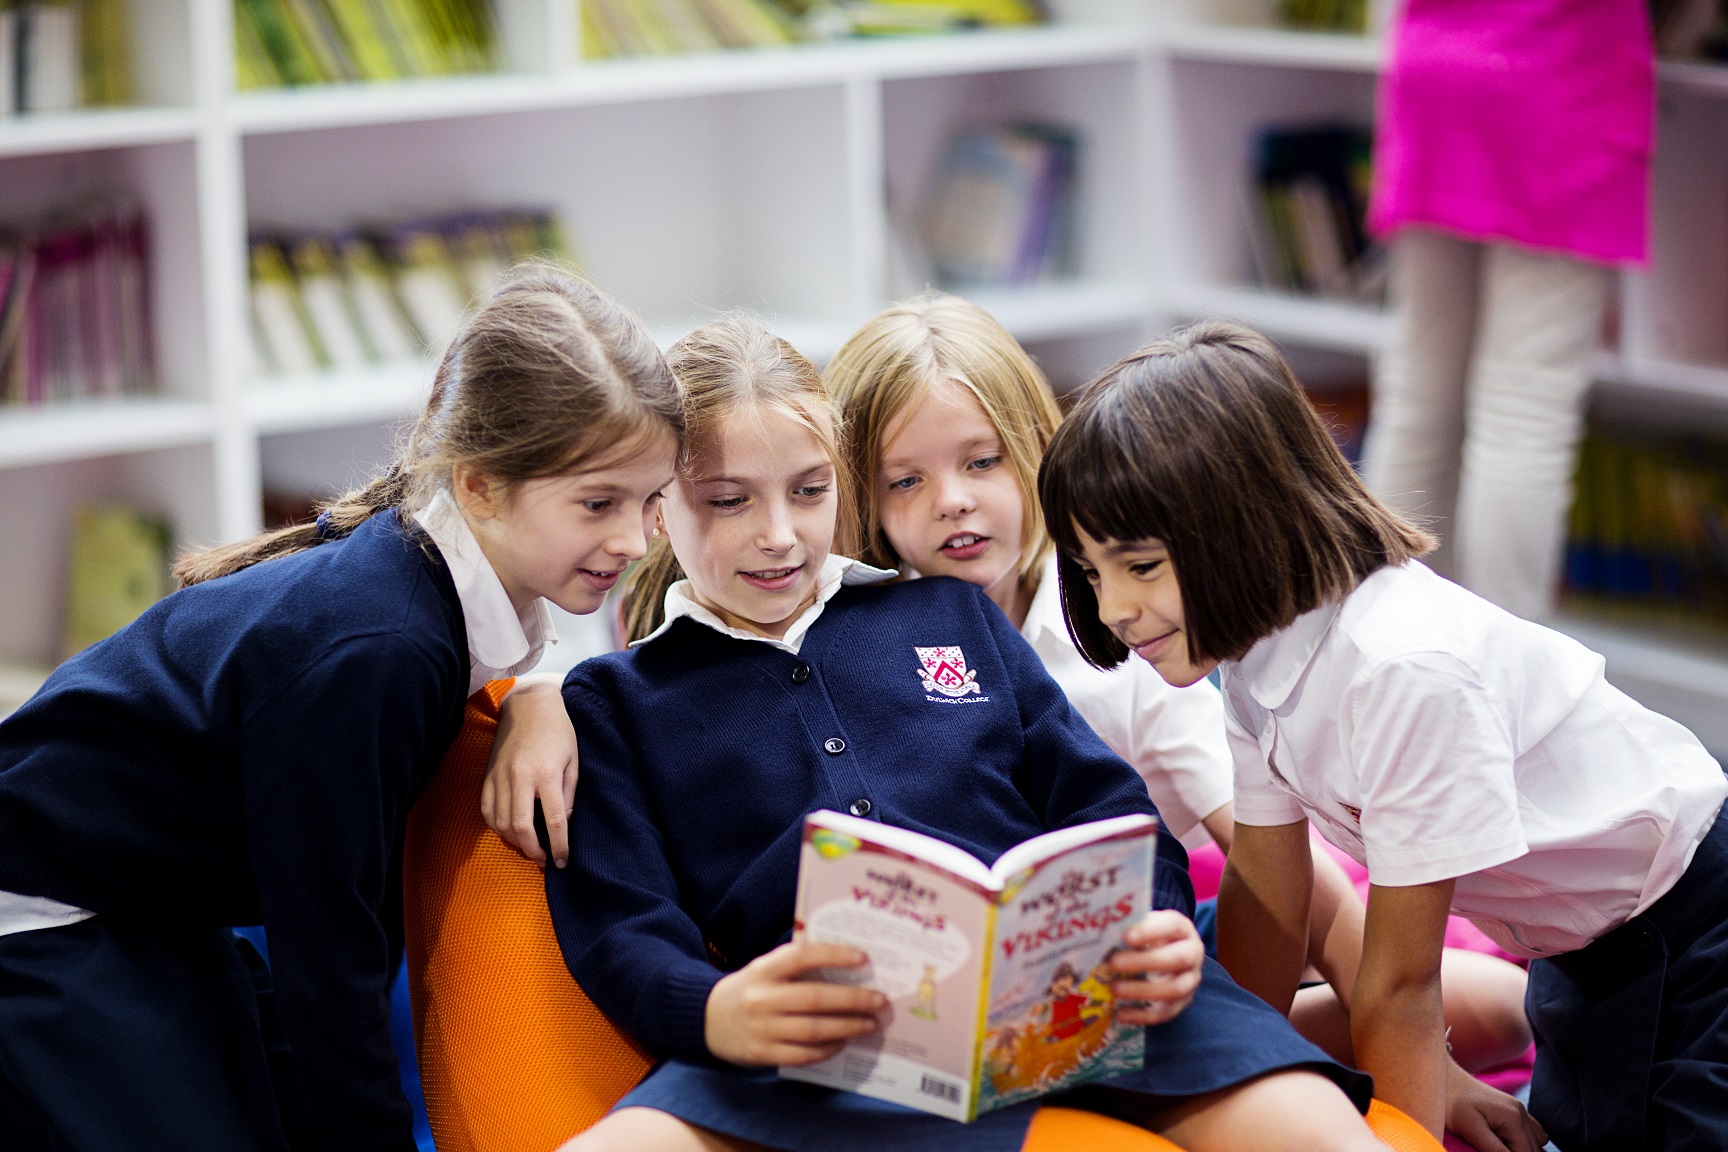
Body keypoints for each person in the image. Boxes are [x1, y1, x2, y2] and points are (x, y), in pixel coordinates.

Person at [545, 314, 1384, 1152]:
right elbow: (620, 924)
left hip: (1071, 996)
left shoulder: (946, 613)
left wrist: (1151, 916)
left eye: (809, 491)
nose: (778, 534)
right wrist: (716, 1010)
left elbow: (1105, 803)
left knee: (1322, 1132)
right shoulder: (616, 701)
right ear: (657, 511)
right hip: (819, 1045)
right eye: (728, 501)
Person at [0, 265, 682, 1152]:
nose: (632, 541)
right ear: (478, 485)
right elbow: (332, 956)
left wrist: (544, 694)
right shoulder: (383, 649)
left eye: (652, 502)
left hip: (154, 900)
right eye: (598, 503)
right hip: (48, 905)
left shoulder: (432, 586)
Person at [1037, 319, 1728, 1152]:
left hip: (1694, 925)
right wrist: (1234, 1082)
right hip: (1580, 956)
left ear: (1244, 523)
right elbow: (1266, 897)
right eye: (1088, 573)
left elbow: (1400, 987)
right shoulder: (1255, 659)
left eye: (1139, 567)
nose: (1113, 609)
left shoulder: (1399, 666)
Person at [823, 291, 1530, 1080]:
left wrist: (1434, 1071)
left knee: (1499, 1013)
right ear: (862, 497)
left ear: (1033, 450)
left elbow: (1275, 863)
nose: (951, 498)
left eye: (980, 461)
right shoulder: (863, 645)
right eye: (905, 481)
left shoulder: (1121, 618)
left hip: (1184, 928)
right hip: (1015, 972)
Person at [1360, 0, 1654, 618]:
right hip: (1558, 79)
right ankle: (1504, 676)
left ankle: (1375, 644)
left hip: (1436, 73)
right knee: (1523, 416)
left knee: (1417, 397)